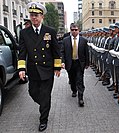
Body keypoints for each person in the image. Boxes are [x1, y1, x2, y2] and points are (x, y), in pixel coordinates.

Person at [18, 2, 61, 132]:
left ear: (42, 16)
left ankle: (43, 120)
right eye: (32, 15)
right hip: (33, 70)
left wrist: (57, 67)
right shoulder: (25, 33)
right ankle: (44, 105)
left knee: (45, 95)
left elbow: (56, 51)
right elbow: (22, 53)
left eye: (36, 15)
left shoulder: (50, 31)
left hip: (47, 70)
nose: (34, 18)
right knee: (33, 93)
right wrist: (21, 69)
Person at [61, 23, 89, 107]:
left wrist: (87, 63)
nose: (74, 31)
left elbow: (86, 53)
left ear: (78, 30)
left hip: (79, 63)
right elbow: (62, 52)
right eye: (72, 30)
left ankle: (80, 98)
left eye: (76, 30)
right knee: (72, 79)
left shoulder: (83, 40)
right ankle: (74, 90)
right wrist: (62, 62)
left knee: (79, 80)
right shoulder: (65, 40)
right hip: (70, 63)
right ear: (70, 30)